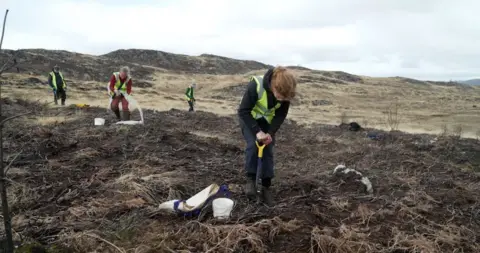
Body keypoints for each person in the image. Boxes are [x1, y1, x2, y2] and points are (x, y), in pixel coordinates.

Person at [237, 66, 297, 206]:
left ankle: (266, 186)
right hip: (249, 119)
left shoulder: (285, 94)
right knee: (253, 145)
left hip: (267, 123)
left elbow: (280, 115)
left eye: (284, 98)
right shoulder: (255, 86)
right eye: (279, 96)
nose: (281, 100)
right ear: (274, 85)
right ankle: (251, 180)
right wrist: (257, 132)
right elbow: (243, 111)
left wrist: (270, 133)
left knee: (268, 150)